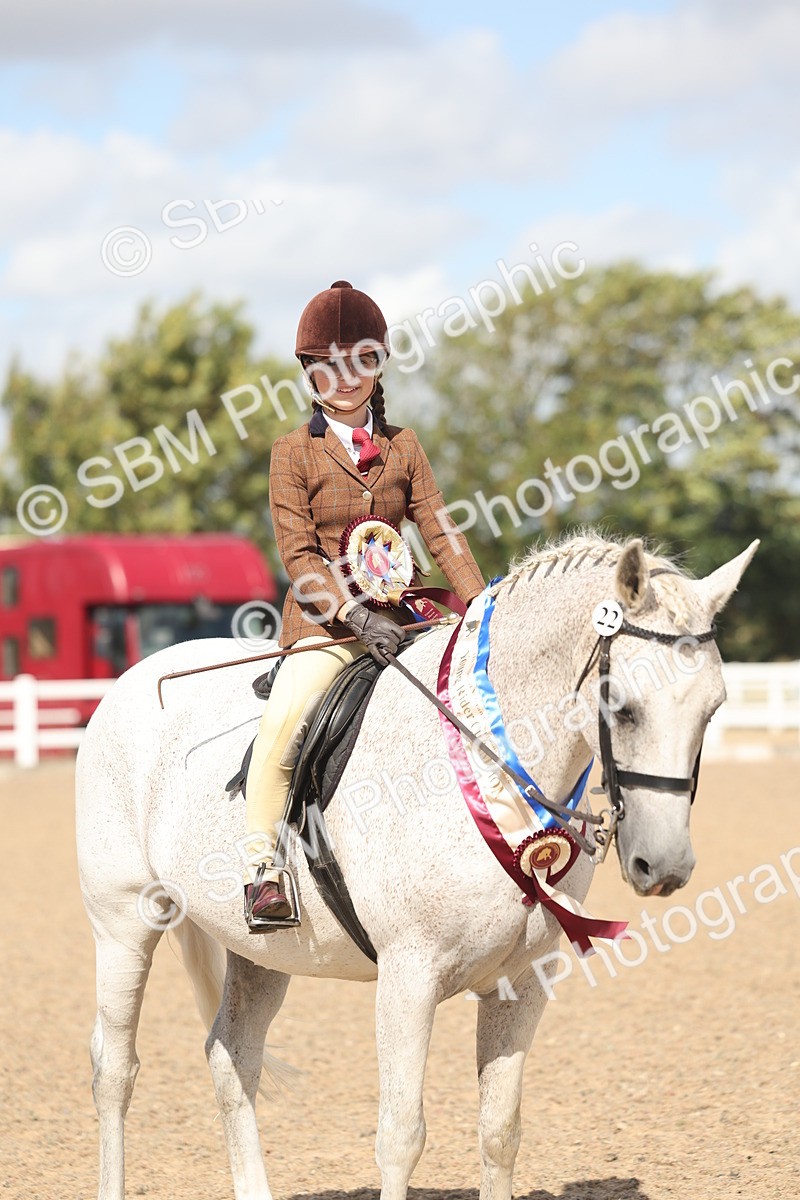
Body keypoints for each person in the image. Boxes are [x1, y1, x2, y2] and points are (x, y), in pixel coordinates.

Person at [243, 280, 485, 931]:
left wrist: (483, 604)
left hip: (404, 620)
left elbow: (442, 532)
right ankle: (263, 871)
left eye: (360, 362)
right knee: (283, 726)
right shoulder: (292, 452)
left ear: (378, 365)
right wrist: (352, 615)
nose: (345, 378)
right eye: (328, 366)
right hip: (329, 627)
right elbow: (298, 555)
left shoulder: (405, 445)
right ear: (309, 373)